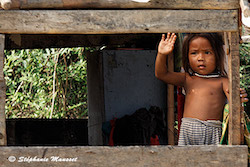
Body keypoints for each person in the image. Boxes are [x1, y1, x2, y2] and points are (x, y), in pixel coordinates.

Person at [155, 33, 248, 145]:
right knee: (187, 161)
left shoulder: (223, 81)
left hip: (212, 131)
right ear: (187, 57)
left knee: (212, 161)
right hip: (188, 130)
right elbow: (161, 74)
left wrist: (239, 97)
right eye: (194, 53)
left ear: (218, 55)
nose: (200, 58)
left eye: (207, 52)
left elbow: (234, 99)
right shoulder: (187, 79)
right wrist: (161, 54)